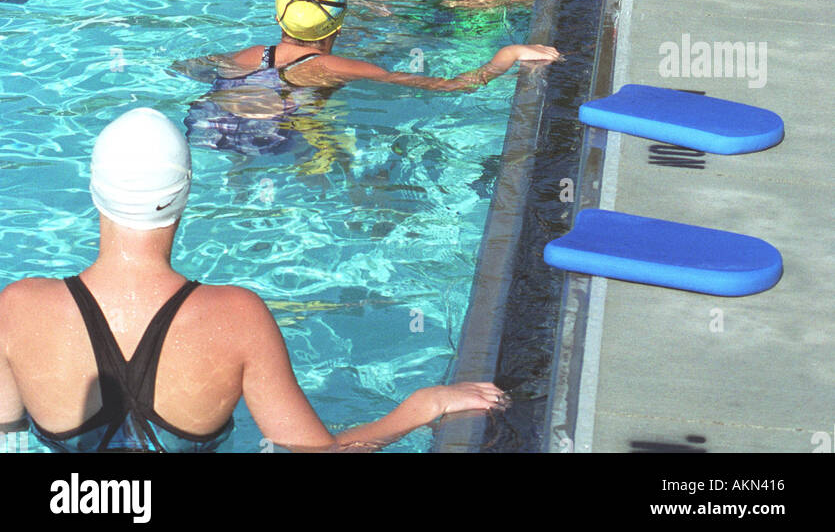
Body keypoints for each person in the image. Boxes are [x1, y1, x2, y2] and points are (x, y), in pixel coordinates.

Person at [0, 107, 513, 452]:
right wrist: (421, 407)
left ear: (94, 189)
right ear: (185, 192)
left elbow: (8, 438)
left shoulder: (18, 307)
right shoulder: (237, 317)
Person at [206, 0, 560, 98]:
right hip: (282, 138)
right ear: (339, 24)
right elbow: (451, 86)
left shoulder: (250, 55)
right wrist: (508, 54)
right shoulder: (340, 66)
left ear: (278, 16)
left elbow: (192, 68)